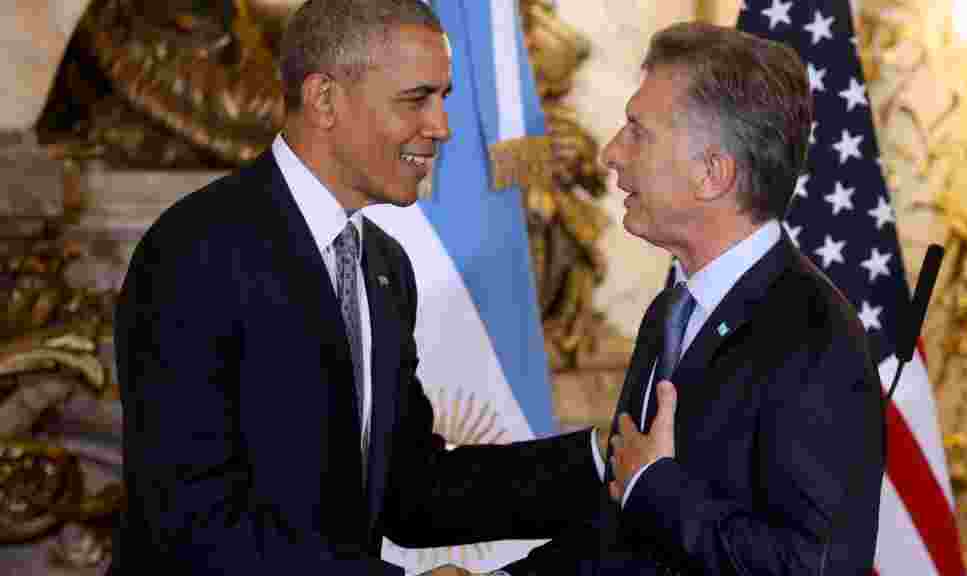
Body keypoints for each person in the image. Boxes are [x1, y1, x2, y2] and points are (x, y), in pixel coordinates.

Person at [110, 1, 607, 574]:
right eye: (416, 98)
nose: (441, 126)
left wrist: (601, 460)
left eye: (443, 98)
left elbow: (412, 490)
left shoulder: (383, 266)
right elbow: (192, 520)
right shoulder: (197, 251)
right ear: (324, 99)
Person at [503, 21, 886, 575]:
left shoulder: (814, 336)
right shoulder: (673, 310)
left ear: (712, 174)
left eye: (638, 131)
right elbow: (625, 534)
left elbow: (815, 567)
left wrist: (658, 488)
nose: (611, 152)